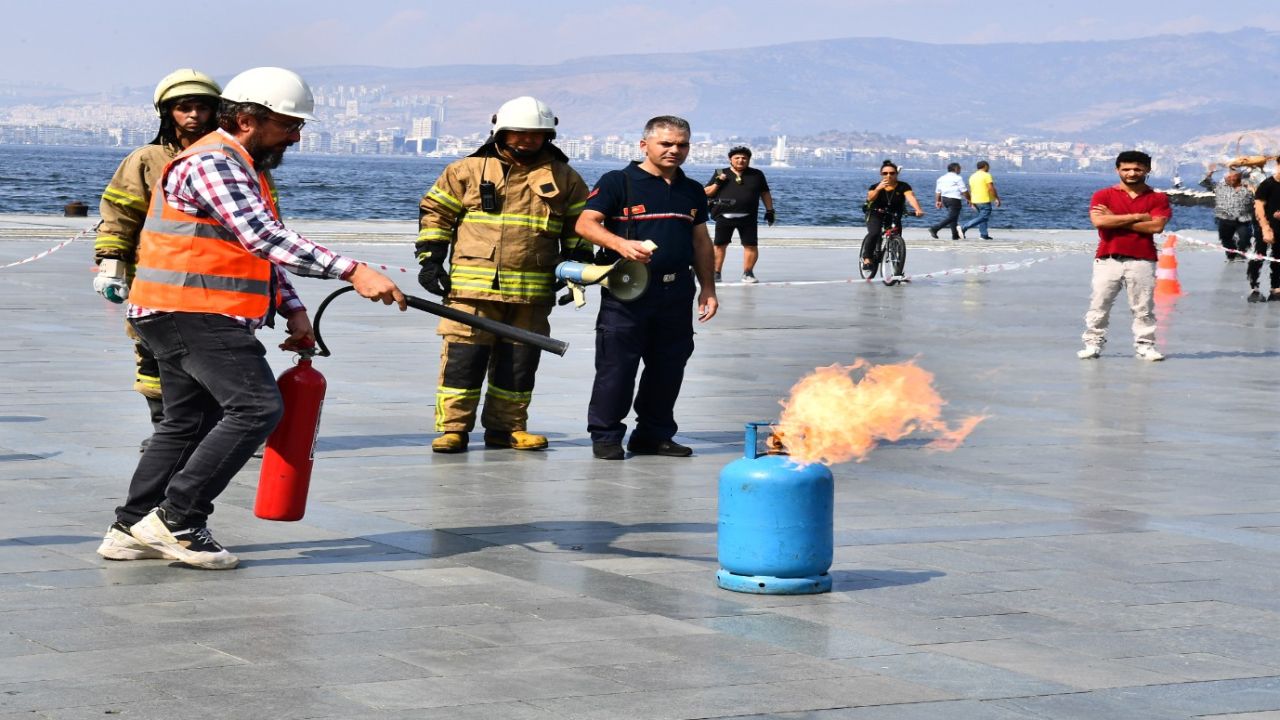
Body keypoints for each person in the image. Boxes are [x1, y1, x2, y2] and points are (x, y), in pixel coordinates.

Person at [96, 67, 406, 570]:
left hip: (178, 310)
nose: (297, 136)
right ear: (246, 119)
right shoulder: (216, 162)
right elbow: (265, 237)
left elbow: (254, 250)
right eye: (289, 125)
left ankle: (130, 526)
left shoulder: (240, 166)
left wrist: (295, 309)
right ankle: (178, 519)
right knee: (256, 408)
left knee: (186, 423)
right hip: (193, 310)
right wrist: (353, 271)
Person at [416, 97, 591, 454]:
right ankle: (454, 430)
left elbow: (579, 227)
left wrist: (575, 268)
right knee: (463, 363)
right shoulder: (465, 170)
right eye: (519, 134)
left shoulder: (565, 178)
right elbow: (436, 214)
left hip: (532, 292)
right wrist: (430, 259)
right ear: (501, 130)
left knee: (519, 364)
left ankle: (508, 428)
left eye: (536, 135)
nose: (527, 141)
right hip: (470, 290)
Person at [94, 69, 224, 450]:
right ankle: (166, 430)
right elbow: (120, 213)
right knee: (154, 358)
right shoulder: (146, 160)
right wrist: (112, 264)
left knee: (220, 357)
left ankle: (217, 431)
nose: (194, 116)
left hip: (217, 282)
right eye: (185, 108)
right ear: (168, 113)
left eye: (203, 107)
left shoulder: (233, 159)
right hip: (157, 282)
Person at [575, 116, 718, 460]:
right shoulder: (618, 182)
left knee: (669, 365)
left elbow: (701, 242)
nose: (674, 150)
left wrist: (708, 289)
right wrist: (620, 244)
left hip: (676, 292)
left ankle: (653, 435)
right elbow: (585, 223)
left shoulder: (692, 190)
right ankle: (606, 435)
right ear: (644, 145)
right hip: (628, 292)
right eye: (666, 143)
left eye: (681, 144)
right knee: (617, 366)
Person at [1078, 150, 1171, 362]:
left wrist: (1116, 218)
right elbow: (1100, 222)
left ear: (1147, 170)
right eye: (1126, 169)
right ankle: (1093, 344)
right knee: (1099, 304)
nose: (1131, 173)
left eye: (1137, 169)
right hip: (1107, 259)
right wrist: (1139, 217)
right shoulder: (1103, 195)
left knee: (1143, 308)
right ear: (1117, 170)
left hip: (1143, 260)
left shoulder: (1158, 198)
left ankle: (1145, 346)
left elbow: (1156, 226)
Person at [704, 146, 774, 283]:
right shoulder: (720, 172)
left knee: (751, 245)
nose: (741, 160)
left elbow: (765, 193)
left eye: (744, 158)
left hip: (748, 217)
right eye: (737, 158)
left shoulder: (757, 174)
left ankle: (748, 273)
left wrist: (770, 210)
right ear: (730, 159)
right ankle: (716, 273)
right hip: (724, 216)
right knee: (719, 245)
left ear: (748, 160)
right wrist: (718, 182)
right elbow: (707, 192)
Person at [861, 160, 923, 269]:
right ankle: (867, 258)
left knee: (897, 239)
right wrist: (878, 189)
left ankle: (897, 269)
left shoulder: (903, 186)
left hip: (894, 214)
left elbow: (911, 198)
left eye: (892, 173)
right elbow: (870, 198)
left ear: (896, 174)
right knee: (875, 233)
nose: (888, 175)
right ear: (881, 174)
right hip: (876, 212)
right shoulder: (875, 186)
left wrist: (918, 209)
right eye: (885, 173)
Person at [1199, 164, 1255, 263]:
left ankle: (1241, 254)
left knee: (1245, 238)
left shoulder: (1249, 187)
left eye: (1234, 175)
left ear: (1239, 177)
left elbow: (1260, 199)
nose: (1230, 177)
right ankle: (1231, 255)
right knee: (1226, 239)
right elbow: (1204, 183)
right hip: (1225, 219)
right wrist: (1209, 173)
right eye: (1229, 175)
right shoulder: (1220, 187)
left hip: (1243, 219)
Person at [1254, 157, 1280, 302]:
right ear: (1277, 165)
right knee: (1259, 254)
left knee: (1278, 256)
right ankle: (1254, 288)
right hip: (1264, 225)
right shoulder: (1267, 184)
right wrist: (1265, 228)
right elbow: (1258, 207)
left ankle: (1276, 287)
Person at [929, 162, 969, 240]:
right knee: (952, 217)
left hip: (945, 199)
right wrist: (969, 199)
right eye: (959, 168)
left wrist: (938, 201)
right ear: (956, 169)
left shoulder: (941, 178)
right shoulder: (957, 178)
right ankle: (935, 228)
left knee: (953, 217)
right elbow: (964, 190)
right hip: (954, 199)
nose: (960, 170)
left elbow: (938, 191)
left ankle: (955, 235)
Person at [961, 160, 1000, 239]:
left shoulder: (972, 176)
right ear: (985, 166)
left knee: (981, 217)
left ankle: (984, 235)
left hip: (975, 200)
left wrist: (970, 200)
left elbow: (971, 189)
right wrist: (997, 198)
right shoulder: (986, 175)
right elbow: (991, 188)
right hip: (984, 199)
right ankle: (963, 227)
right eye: (988, 166)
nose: (989, 168)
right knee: (984, 217)